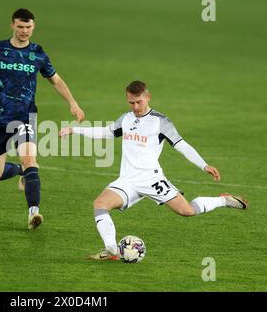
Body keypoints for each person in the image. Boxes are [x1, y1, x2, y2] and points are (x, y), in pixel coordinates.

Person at [59, 80, 248, 260]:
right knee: (100, 204)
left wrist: (204, 164)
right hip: (127, 180)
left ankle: (224, 200)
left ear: (148, 96)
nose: (134, 106)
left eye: (138, 102)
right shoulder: (126, 119)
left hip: (152, 179)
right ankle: (111, 249)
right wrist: (75, 130)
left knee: (187, 211)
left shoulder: (160, 122)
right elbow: (106, 133)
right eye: (131, 102)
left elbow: (181, 145)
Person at [0, 8, 85, 230]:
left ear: (33, 27)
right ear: (12, 25)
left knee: (30, 160)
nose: (24, 31)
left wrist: (73, 103)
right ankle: (22, 172)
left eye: (28, 27)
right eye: (20, 27)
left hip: (25, 117)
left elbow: (56, 80)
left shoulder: (38, 53)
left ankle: (34, 212)